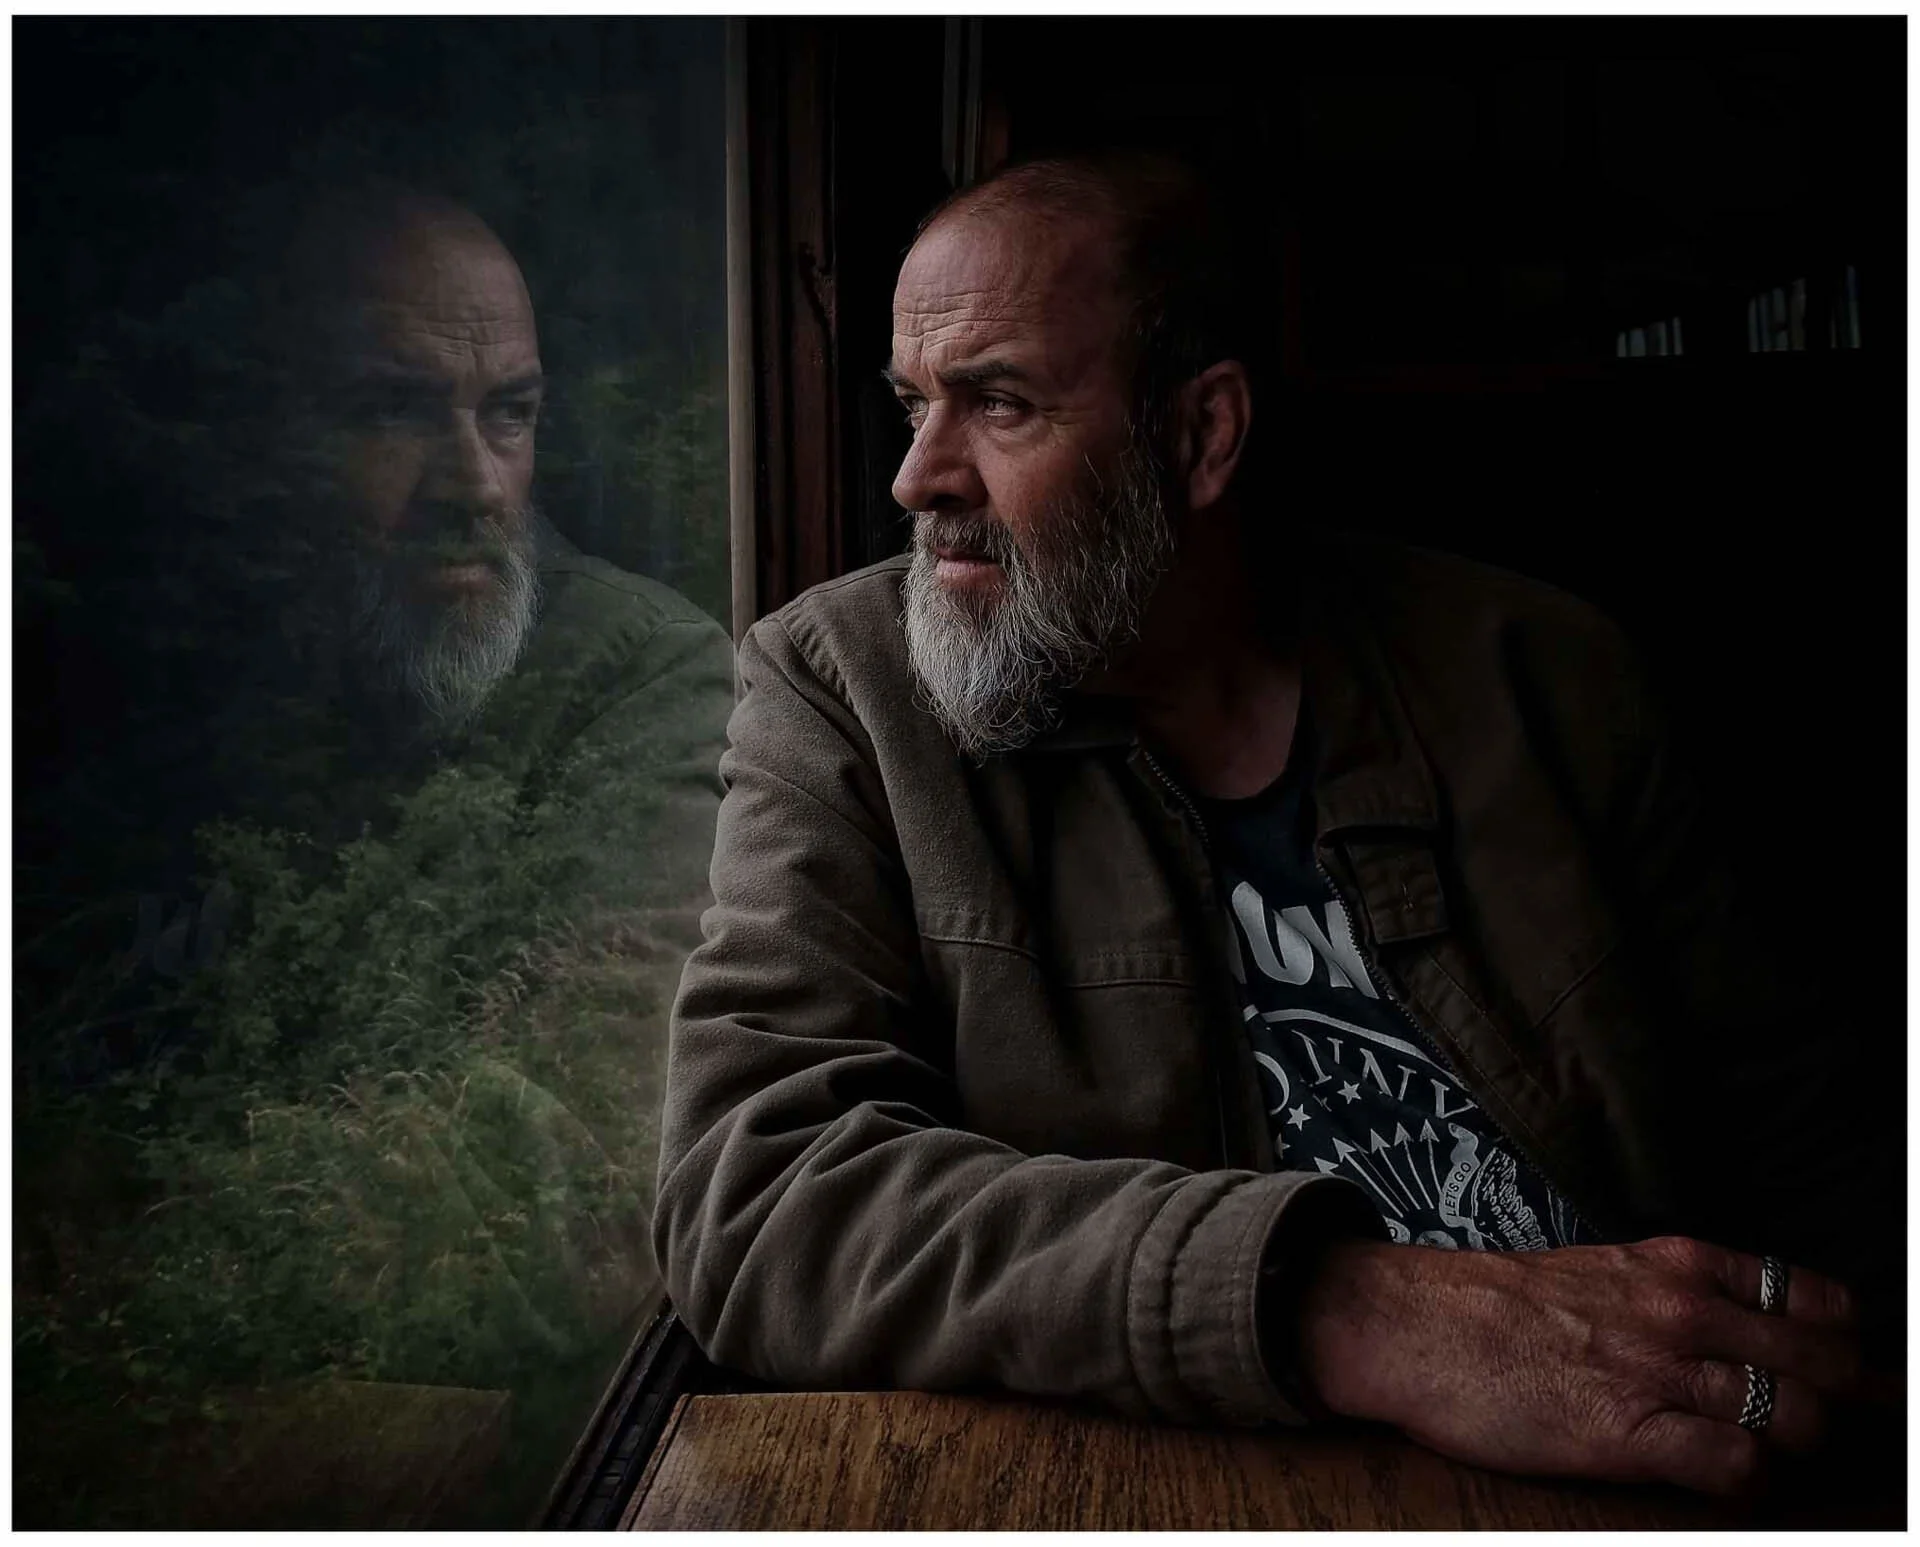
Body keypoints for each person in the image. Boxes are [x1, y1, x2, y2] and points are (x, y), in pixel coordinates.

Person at [653, 152, 1890, 1499]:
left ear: (1201, 436)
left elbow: (1819, 1158)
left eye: (999, 403)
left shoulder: (1546, 677)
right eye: (912, 405)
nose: (915, 477)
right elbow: (754, 1197)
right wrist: (1345, 1307)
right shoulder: (841, 696)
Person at [14, 185, 733, 1524]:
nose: (471, 485)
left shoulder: (648, 678)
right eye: (393, 412)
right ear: (265, 437)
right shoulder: (200, 686)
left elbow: (568, 1183)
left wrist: (91, 1262)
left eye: (507, 413)